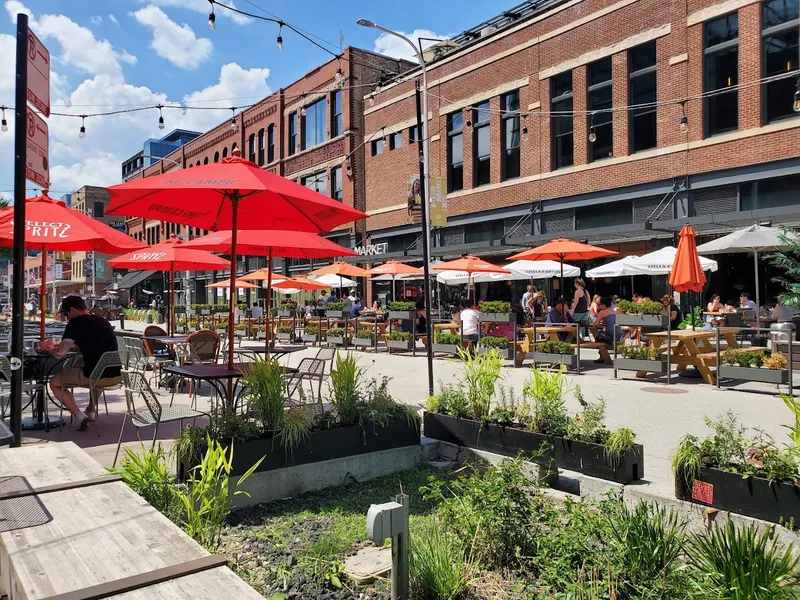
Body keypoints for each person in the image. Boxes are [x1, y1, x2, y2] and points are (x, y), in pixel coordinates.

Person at [48, 296, 122, 431]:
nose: (66, 317)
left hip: (92, 376)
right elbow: (94, 343)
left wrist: (49, 348)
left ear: (72, 309)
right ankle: (90, 410)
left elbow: (60, 353)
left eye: (66, 313)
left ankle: (78, 415)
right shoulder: (103, 321)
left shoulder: (75, 323)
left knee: (54, 382)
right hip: (116, 375)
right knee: (97, 373)